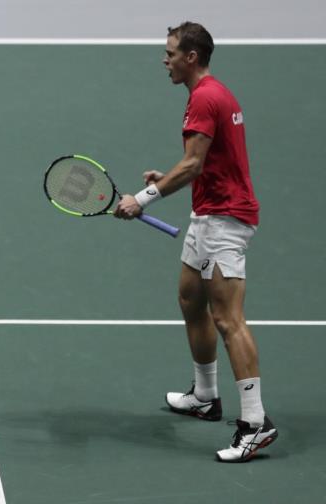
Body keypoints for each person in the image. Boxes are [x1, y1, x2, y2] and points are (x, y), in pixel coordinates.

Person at [114, 22, 277, 462]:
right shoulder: (211, 93)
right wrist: (166, 177)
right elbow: (201, 163)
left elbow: (192, 165)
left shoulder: (204, 98)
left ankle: (256, 424)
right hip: (208, 215)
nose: (164, 60)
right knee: (190, 299)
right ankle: (205, 396)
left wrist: (141, 198)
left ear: (191, 57)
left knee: (228, 319)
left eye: (170, 53)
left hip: (225, 221)